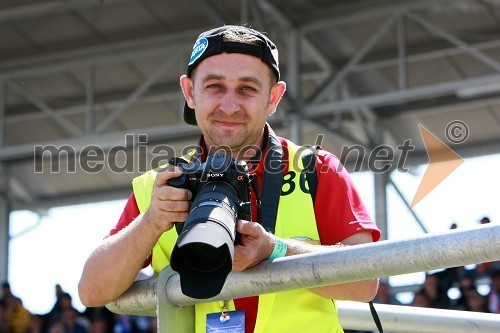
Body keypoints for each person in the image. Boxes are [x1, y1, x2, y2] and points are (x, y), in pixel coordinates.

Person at [79, 24, 381, 333]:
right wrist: (152, 222)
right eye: (214, 86)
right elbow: (92, 292)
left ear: (274, 97)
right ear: (189, 92)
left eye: (247, 88)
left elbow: (365, 284)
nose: (229, 105)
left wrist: (276, 250)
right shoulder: (160, 186)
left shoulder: (317, 169)